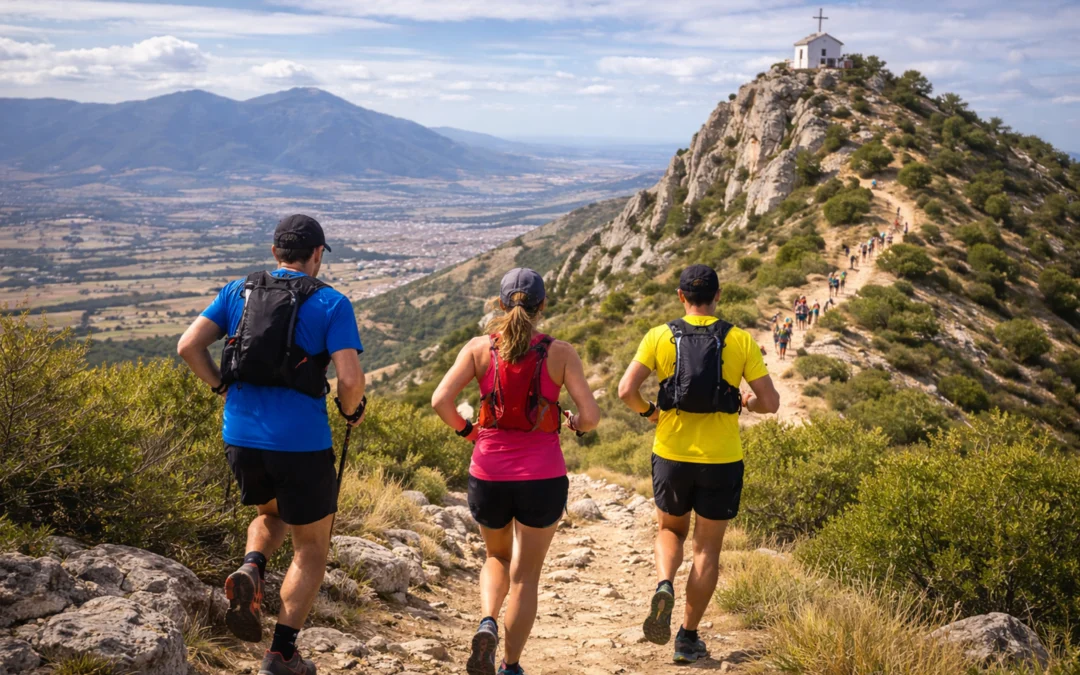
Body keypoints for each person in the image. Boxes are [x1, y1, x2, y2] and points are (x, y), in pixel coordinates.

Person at [177, 214, 366, 675]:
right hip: (301, 442)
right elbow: (349, 379)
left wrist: (221, 387)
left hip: (240, 434)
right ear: (317, 254)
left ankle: (253, 567)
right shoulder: (332, 303)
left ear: (275, 250)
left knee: (270, 512)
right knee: (312, 547)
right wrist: (349, 411)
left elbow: (188, 346)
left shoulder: (237, 291)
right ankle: (281, 653)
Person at [432, 268, 600, 675]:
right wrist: (574, 423)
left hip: (489, 472)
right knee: (526, 577)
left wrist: (470, 432)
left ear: (500, 303)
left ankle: (487, 619)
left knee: (496, 556)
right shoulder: (560, 353)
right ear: (543, 306)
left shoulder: (477, 349)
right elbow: (591, 416)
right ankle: (510, 665)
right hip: (543, 477)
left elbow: (440, 400)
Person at [617, 265, 780, 665]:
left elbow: (625, 391)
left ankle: (664, 583)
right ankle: (687, 638)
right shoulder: (740, 340)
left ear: (680, 296)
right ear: (718, 296)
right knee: (707, 548)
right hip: (722, 458)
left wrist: (651, 413)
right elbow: (770, 403)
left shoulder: (659, 335)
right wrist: (746, 402)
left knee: (670, 529)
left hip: (671, 452)